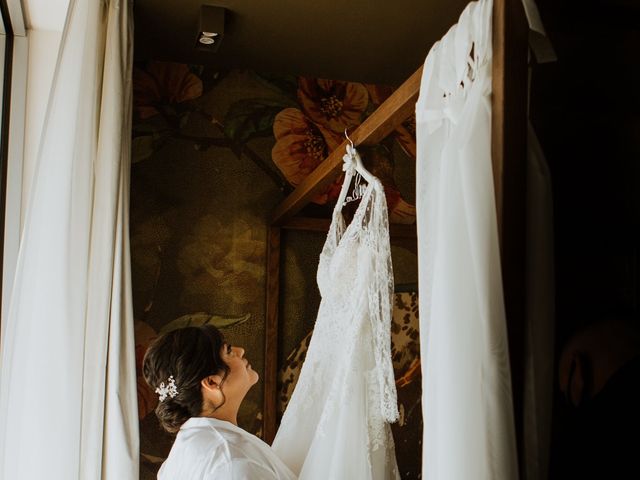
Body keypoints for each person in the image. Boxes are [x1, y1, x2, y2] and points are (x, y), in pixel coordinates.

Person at [143, 325, 296, 479]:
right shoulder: (232, 461)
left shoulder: (179, 457)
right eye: (228, 351)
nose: (240, 350)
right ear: (211, 382)